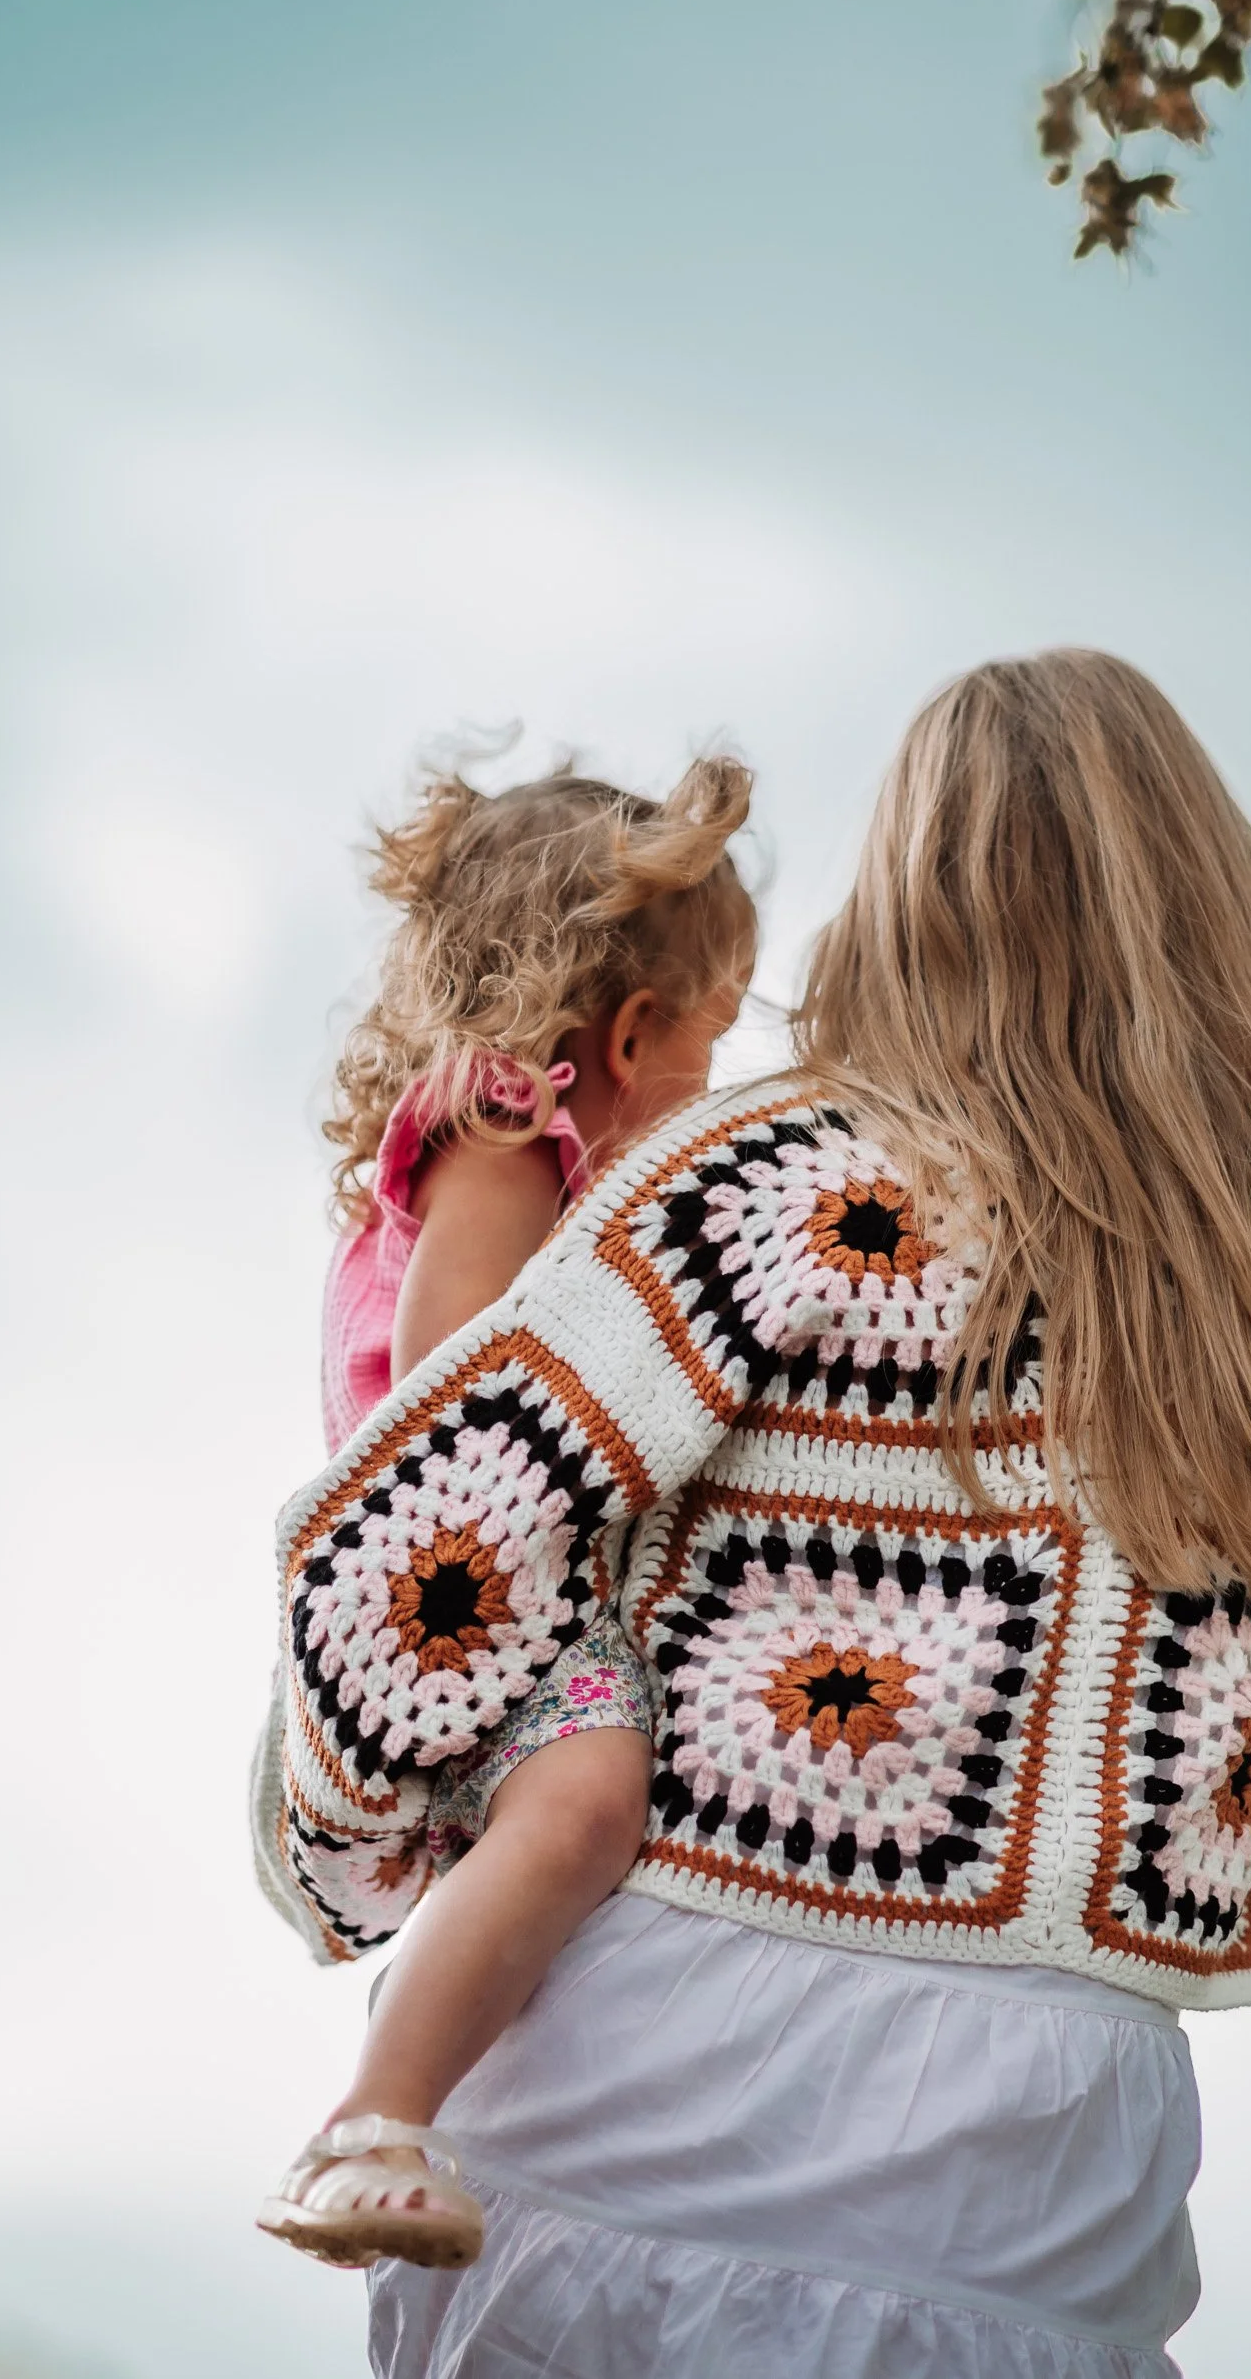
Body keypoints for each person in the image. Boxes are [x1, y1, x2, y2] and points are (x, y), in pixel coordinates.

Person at [253, 651, 1251, 2379]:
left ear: (910, 884)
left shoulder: (775, 1178)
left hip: (633, 2134)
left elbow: (430, 1547)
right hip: (1053, 2189)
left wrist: (338, 1859)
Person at [255, 751, 756, 2270]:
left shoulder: (496, 1138)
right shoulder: (507, 1138)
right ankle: (375, 2117)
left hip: (479, 1586)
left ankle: (421, 2098)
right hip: (475, 1587)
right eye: (710, 1048)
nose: (713, 1096)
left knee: (564, 1827)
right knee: (591, 1796)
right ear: (625, 1032)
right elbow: (458, 1393)